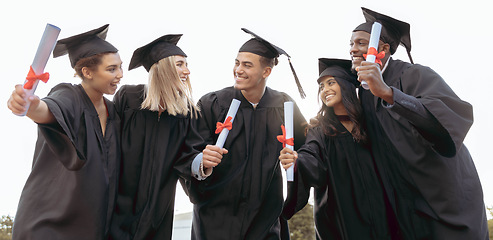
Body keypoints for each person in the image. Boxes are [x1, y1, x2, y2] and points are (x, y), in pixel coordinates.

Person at [351, 7, 489, 239]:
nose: (353, 49)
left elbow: (447, 121)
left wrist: (388, 93)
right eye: (351, 44)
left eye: (361, 43)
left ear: (383, 49)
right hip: (406, 204)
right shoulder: (363, 93)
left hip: (445, 199)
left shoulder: (414, 75)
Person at [184, 28, 307, 239]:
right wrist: (202, 161)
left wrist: (296, 160)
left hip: (265, 217)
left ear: (266, 72)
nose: (238, 70)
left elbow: (306, 149)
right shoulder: (213, 103)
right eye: (237, 63)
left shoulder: (283, 106)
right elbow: (189, 150)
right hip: (216, 217)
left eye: (247, 65)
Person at [7, 24, 123, 240]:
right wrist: (30, 106)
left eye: (120, 67)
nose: (120, 75)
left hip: (90, 228)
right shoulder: (69, 95)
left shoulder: (113, 111)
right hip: (48, 226)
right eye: (112, 69)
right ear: (87, 72)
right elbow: (48, 109)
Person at [108, 34, 225, 240]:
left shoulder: (186, 112)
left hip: (158, 210)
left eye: (186, 65)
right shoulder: (128, 98)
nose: (187, 71)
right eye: (180, 64)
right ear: (162, 67)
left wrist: (202, 162)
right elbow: (107, 143)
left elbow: (188, 155)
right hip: (116, 206)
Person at [280, 58, 394, 240]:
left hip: (381, 213)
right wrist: (297, 160)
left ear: (347, 85)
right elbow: (311, 154)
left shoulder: (370, 124)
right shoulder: (321, 130)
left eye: (331, 83)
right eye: (321, 87)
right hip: (340, 216)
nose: (325, 90)